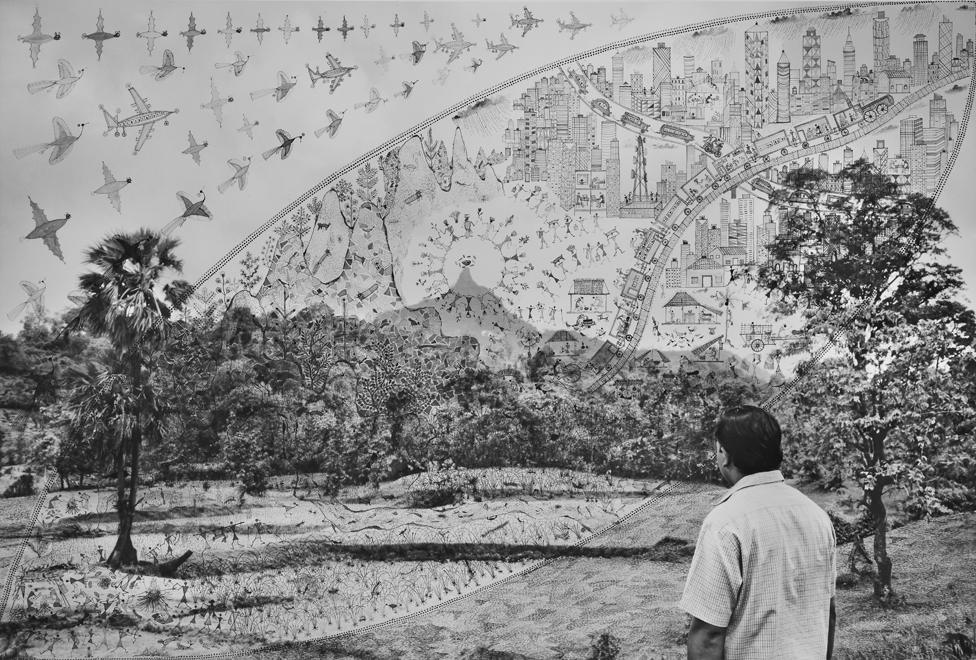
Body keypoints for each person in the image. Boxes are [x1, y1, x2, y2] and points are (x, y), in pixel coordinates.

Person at [680, 405, 837, 660]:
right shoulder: (817, 516)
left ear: (724, 454)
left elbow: (708, 635)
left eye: (717, 449)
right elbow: (827, 612)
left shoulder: (725, 523)